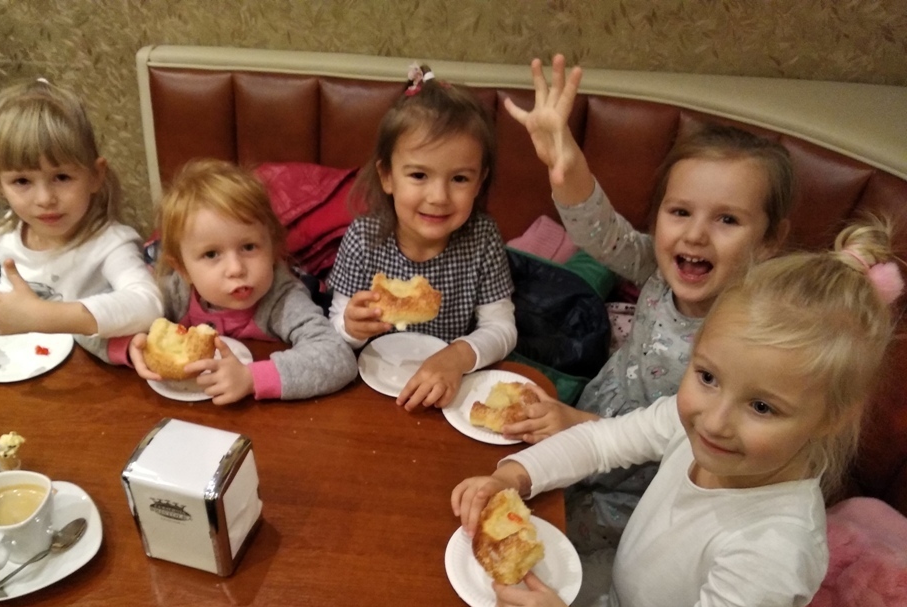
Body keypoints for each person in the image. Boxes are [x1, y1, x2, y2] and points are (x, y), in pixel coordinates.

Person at [398, 218, 903, 607]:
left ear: (832, 418)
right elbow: (601, 442)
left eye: (761, 407)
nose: (714, 420)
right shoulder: (695, 426)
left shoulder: (776, 546)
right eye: (707, 377)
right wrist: (514, 475)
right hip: (615, 606)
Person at [500, 54, 795, 552]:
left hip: (645, 488)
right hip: (588, 422)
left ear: (769, 241)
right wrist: (564, 163)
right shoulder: (656, 269)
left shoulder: (752, 335)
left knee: (551, 540)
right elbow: (601, 231)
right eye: (680, 212)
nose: (696, 235)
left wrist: (582, 428)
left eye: (727, 220)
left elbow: (694, 440)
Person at [0, 78, 163, 357]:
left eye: (62, 177)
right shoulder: (10, 235)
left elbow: (149, 305)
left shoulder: (111, 244)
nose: (45, 198)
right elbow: (15, 294)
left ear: (95, 176)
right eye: (22, 181)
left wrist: (43, 316)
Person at [327, 64, 516, 412]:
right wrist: (350, 327)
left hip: (450, 390)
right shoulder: (363, 237)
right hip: (369, 389)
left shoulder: (482, 238)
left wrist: (458, 356)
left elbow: (503, 328)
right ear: (387, 176)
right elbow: (336, 325)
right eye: (418, 175)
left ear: (479, 181)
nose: (439, 197)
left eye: (459, 179)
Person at [112, 158, 358, 404]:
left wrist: (251, 378)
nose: (236, 269)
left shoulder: (282, 299)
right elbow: (96, 327)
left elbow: (337, 357)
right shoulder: (175, 291)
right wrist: (130, 346)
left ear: (273, 249)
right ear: (183, 269)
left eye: (249, 247)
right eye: (211, 254)